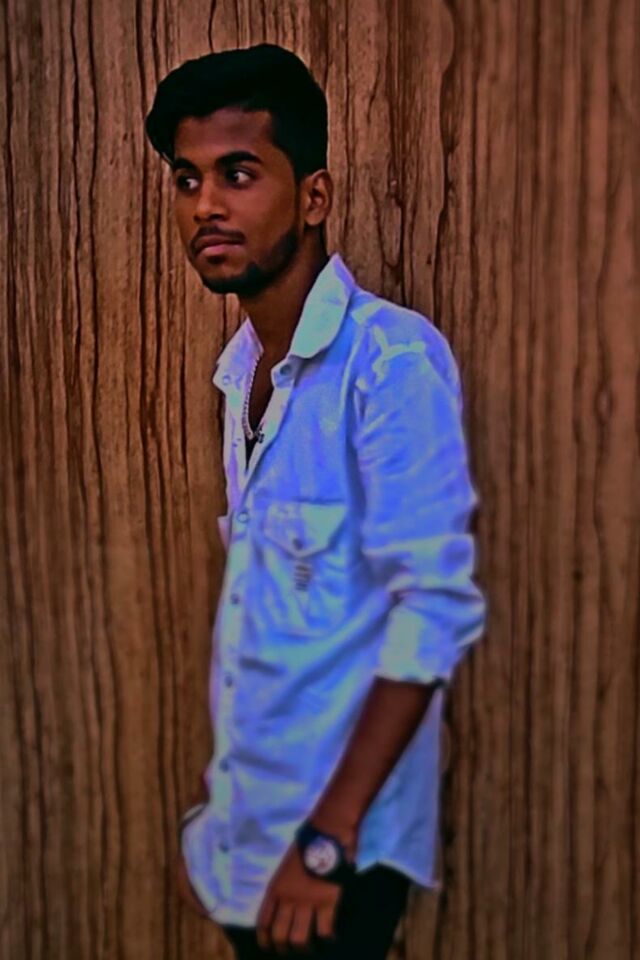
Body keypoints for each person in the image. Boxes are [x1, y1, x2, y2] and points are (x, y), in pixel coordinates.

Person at [144, 43, 487, 959]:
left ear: (314, 197)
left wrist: (327, 841)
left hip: (336, 857)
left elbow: (431, 611)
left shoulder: (389, 363)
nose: (205, 206)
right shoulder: (240, 374)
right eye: (186, 179)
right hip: (250, 840)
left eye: (238, 173)